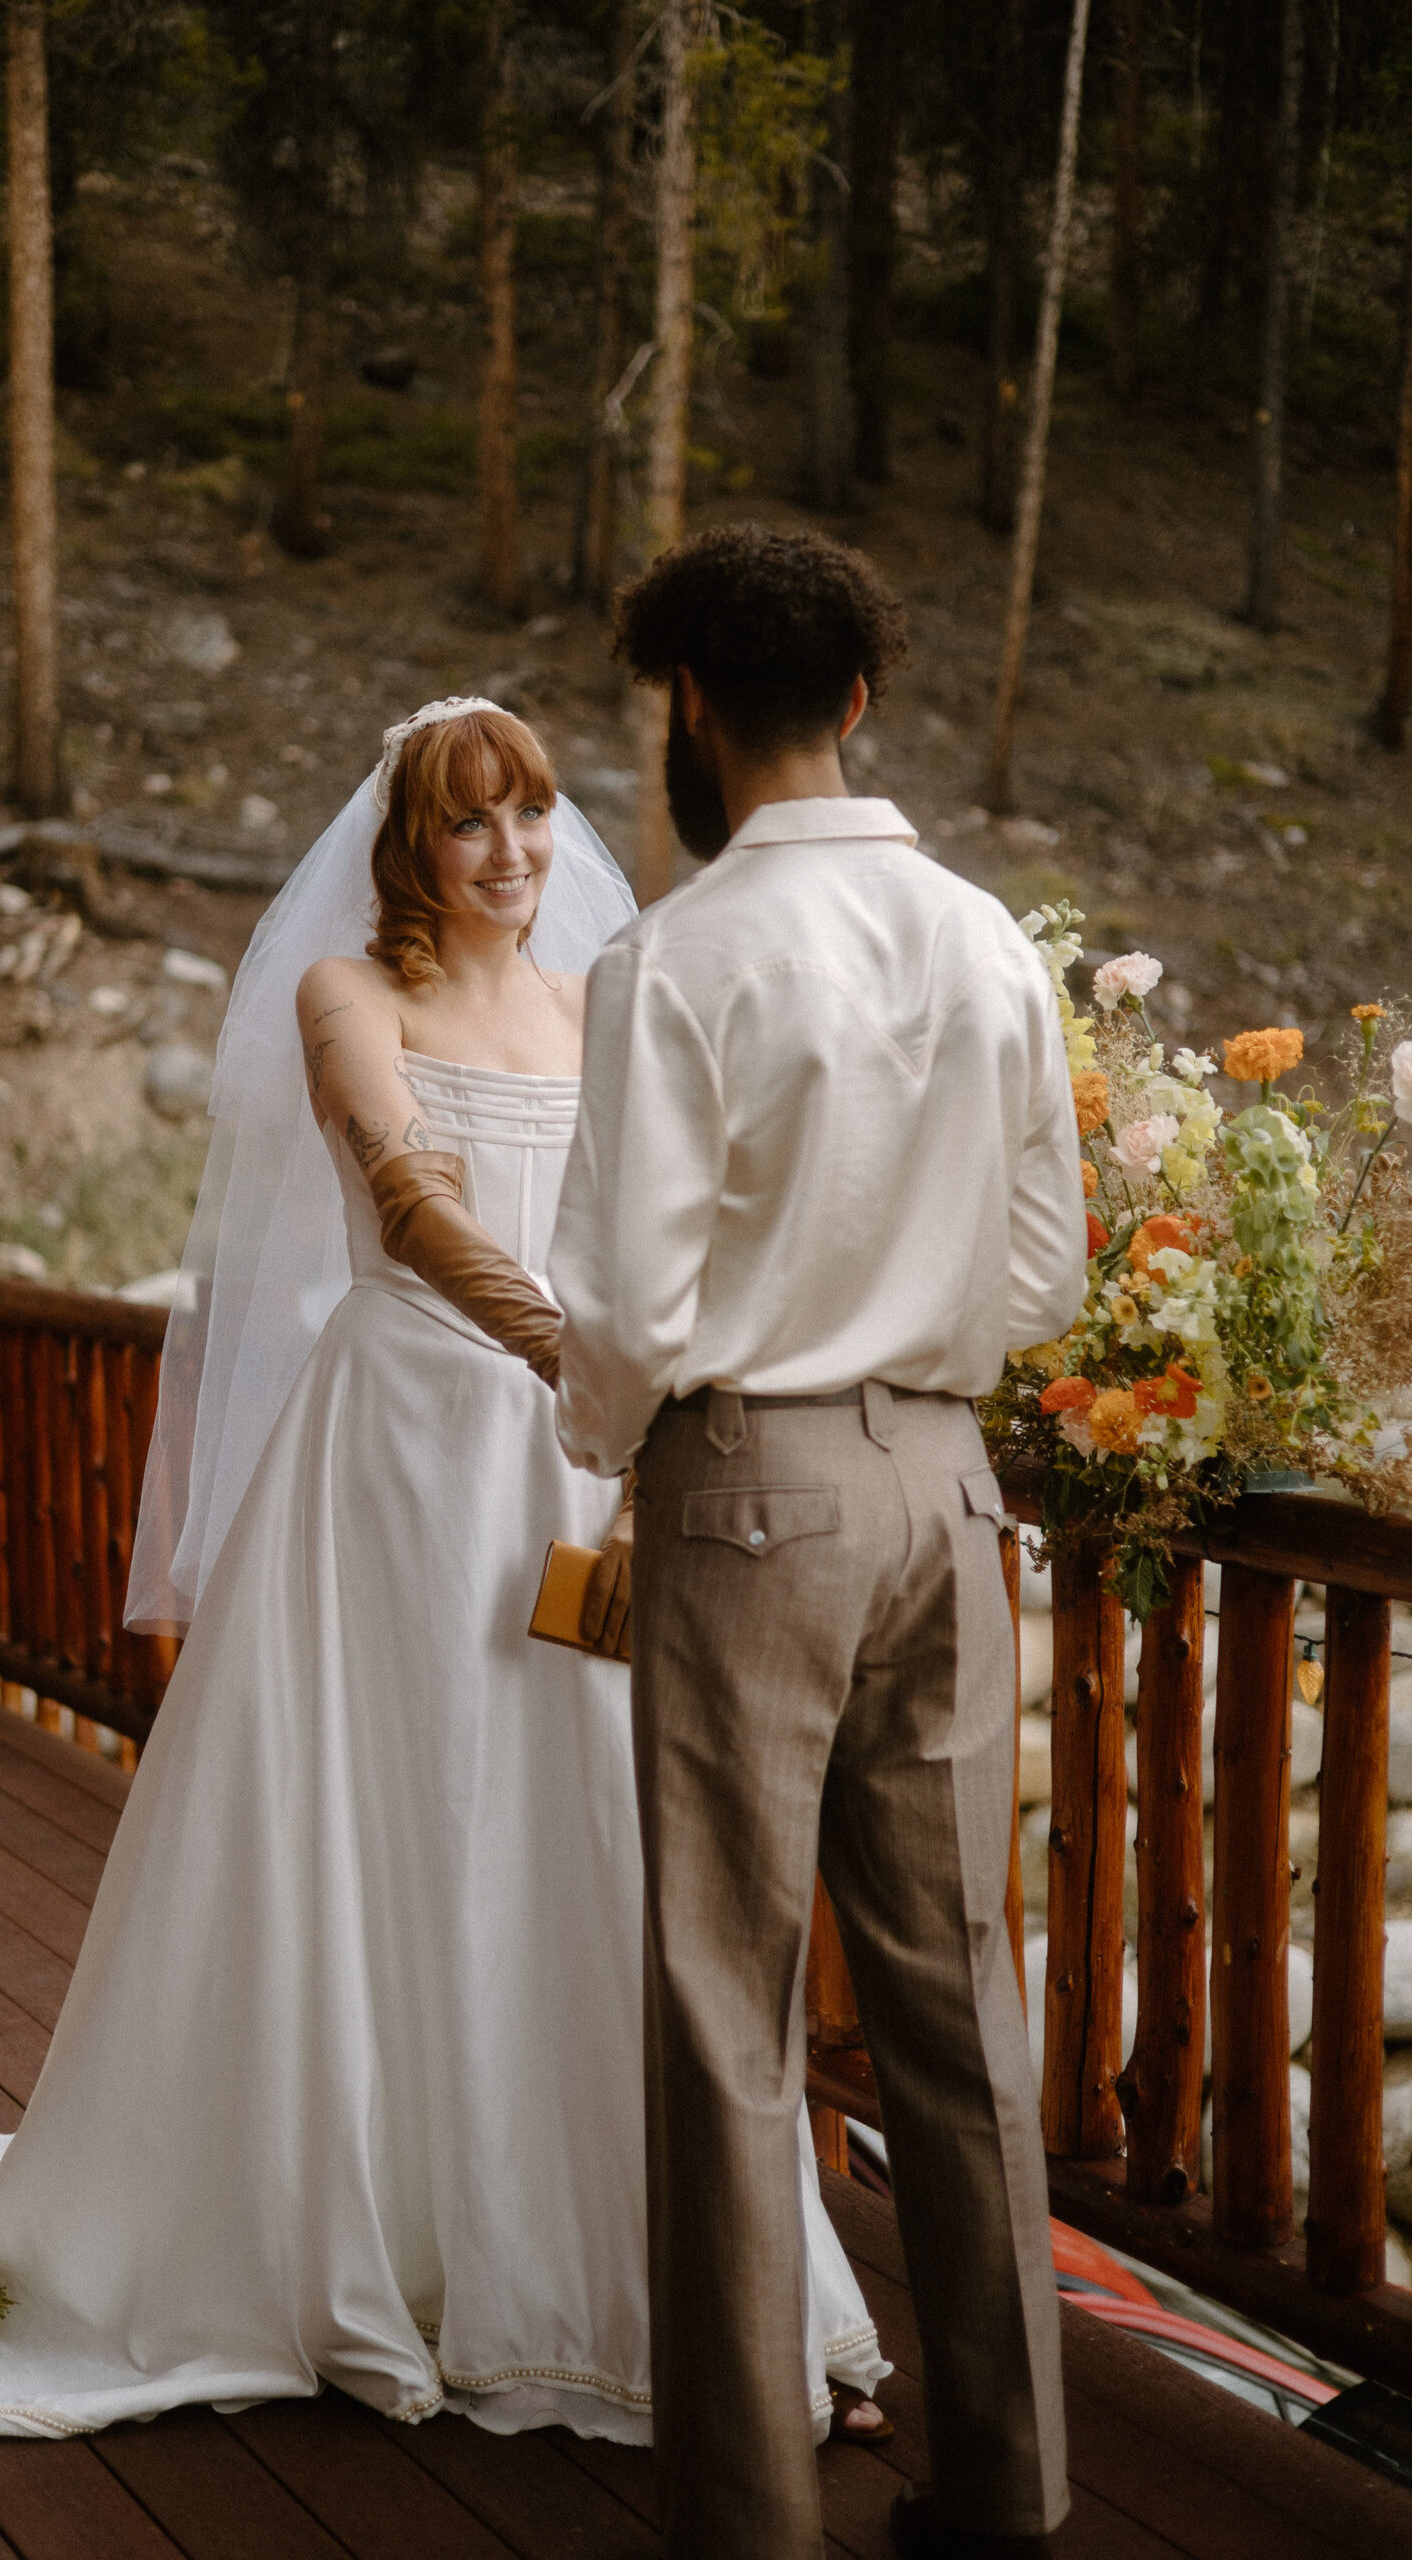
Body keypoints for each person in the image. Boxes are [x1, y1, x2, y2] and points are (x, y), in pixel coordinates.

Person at [0, 699, 889, 2449]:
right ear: (408, 845)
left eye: (536, 820)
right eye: (473, 826)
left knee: (584, 1836)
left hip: (571, 1468)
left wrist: (679, 1366)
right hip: (409, 1449)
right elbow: (408, 1205)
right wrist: (585, 1358)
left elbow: (669, 1212)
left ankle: (639, 2281)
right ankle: (364, 2243)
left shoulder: (593, 1002)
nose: (512, 857)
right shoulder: (353, 995)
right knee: (393, 1819)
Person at [549, 532, 1089, 2560]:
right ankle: (1010, 2485)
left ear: (689, 704)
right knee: (958, 2002)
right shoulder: (985, 943)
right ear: (859, 697)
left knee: (724, 2009)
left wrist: (604, 1450)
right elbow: (1039, 1268)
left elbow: (620, 1306)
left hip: (746, 1489)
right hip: (947, 1494)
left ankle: (747, 2518)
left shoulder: (673, 957)